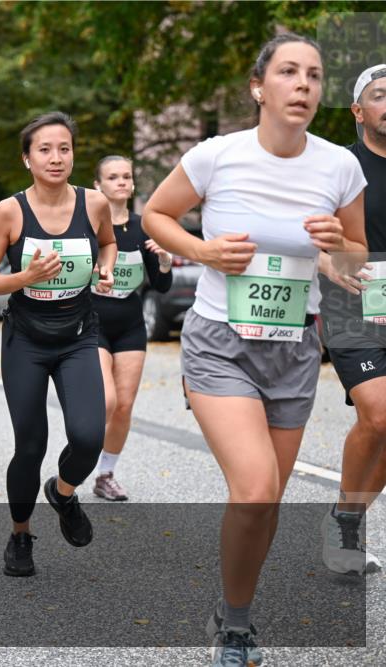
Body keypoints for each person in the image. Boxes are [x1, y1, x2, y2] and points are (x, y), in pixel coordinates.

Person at [142, 34, 367, 667]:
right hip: (220, 344)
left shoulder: (338, 167)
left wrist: (335, 246)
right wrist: (203, 251)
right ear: (258, 87)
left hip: (294, 348)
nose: (303, 85)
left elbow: (353, 260)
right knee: (256, 487)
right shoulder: (217, 156)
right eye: (289, 72)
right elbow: (156, 216)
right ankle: (235, 627)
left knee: (267, 502)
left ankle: (231, 606)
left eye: (315, 76)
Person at [0, 111, 117, 578]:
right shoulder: (10, 211)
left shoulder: (94, 204)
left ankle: (65, 492)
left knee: (90, 434)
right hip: (26, 342)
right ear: (27, 159)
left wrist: (106, 267)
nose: (56, 158)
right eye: (45, 150)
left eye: (64, 148)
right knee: (30, 446)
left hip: (78, 337)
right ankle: (20, 534)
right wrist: (24, 277)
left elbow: (109, 242)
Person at [317, 62, 386, 576]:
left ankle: (346, 518)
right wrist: (328, 262)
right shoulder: (340, 165)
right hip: (352, 303)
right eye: (381, 96)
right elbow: (308, 230)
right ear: (359, 111)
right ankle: (345, 522)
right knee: (381, 413)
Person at [89, 156, 173, 501]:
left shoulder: (144, 227)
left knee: (124, 405)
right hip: (90, 322)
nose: (121, 182)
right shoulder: (86, 225)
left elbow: (161, 286)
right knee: (105, 401)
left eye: (126, 176)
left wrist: (165, 261)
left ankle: (105, 474)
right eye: (113, 177)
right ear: (99, 185)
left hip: (130, 325)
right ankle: (80, 451)